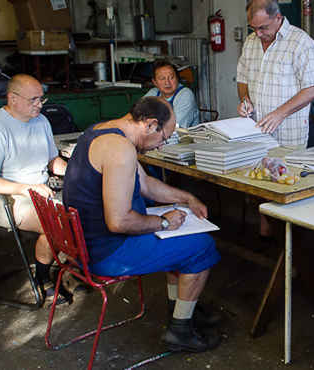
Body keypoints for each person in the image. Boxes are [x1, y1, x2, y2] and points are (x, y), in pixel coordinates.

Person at [62, 97, 223, 352]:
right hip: (106, 252)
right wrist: (162, 222)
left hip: (84, 244)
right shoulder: (120, 149)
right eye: (163, 138)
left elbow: (146, 184)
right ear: (150, 124)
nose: (161, 146)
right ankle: (180, 331)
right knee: (202, 245)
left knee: (179, 236)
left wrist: (186, 197)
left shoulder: (100, 131)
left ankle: (179, 309)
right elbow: (118, 221)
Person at [0, 74, 71, 306]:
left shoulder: (41, 121)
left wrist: (78, 173)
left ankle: (69, 270)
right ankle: (43, 276)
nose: (39, 105)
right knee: (57, 223)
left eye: (41, 99)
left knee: (89, 210)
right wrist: (26, 188)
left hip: (39, 190)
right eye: (33, 100)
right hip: (6, 199)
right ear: (13, 98)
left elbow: (52, 161)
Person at [236, 0, 314, 249]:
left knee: (284, 189)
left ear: (278, 18)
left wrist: (281, 113)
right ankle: (266, 236)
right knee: (260, 183)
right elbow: (242, 78)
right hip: (256, 131)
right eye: (253, 28)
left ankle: (291, 247)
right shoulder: (252, 42)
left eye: (263, 27)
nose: (259, 33)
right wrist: (245, 99)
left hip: (288, 132)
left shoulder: (300, 41)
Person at [144, 60, 200, 129]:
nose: (167, 82)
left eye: (171, 77)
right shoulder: (154, 93)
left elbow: (173, 127)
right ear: (154, 82)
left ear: (177, 78)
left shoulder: (186, 95)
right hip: (157, 135)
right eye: (162, 78)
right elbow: (137, 115)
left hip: (182, 138)